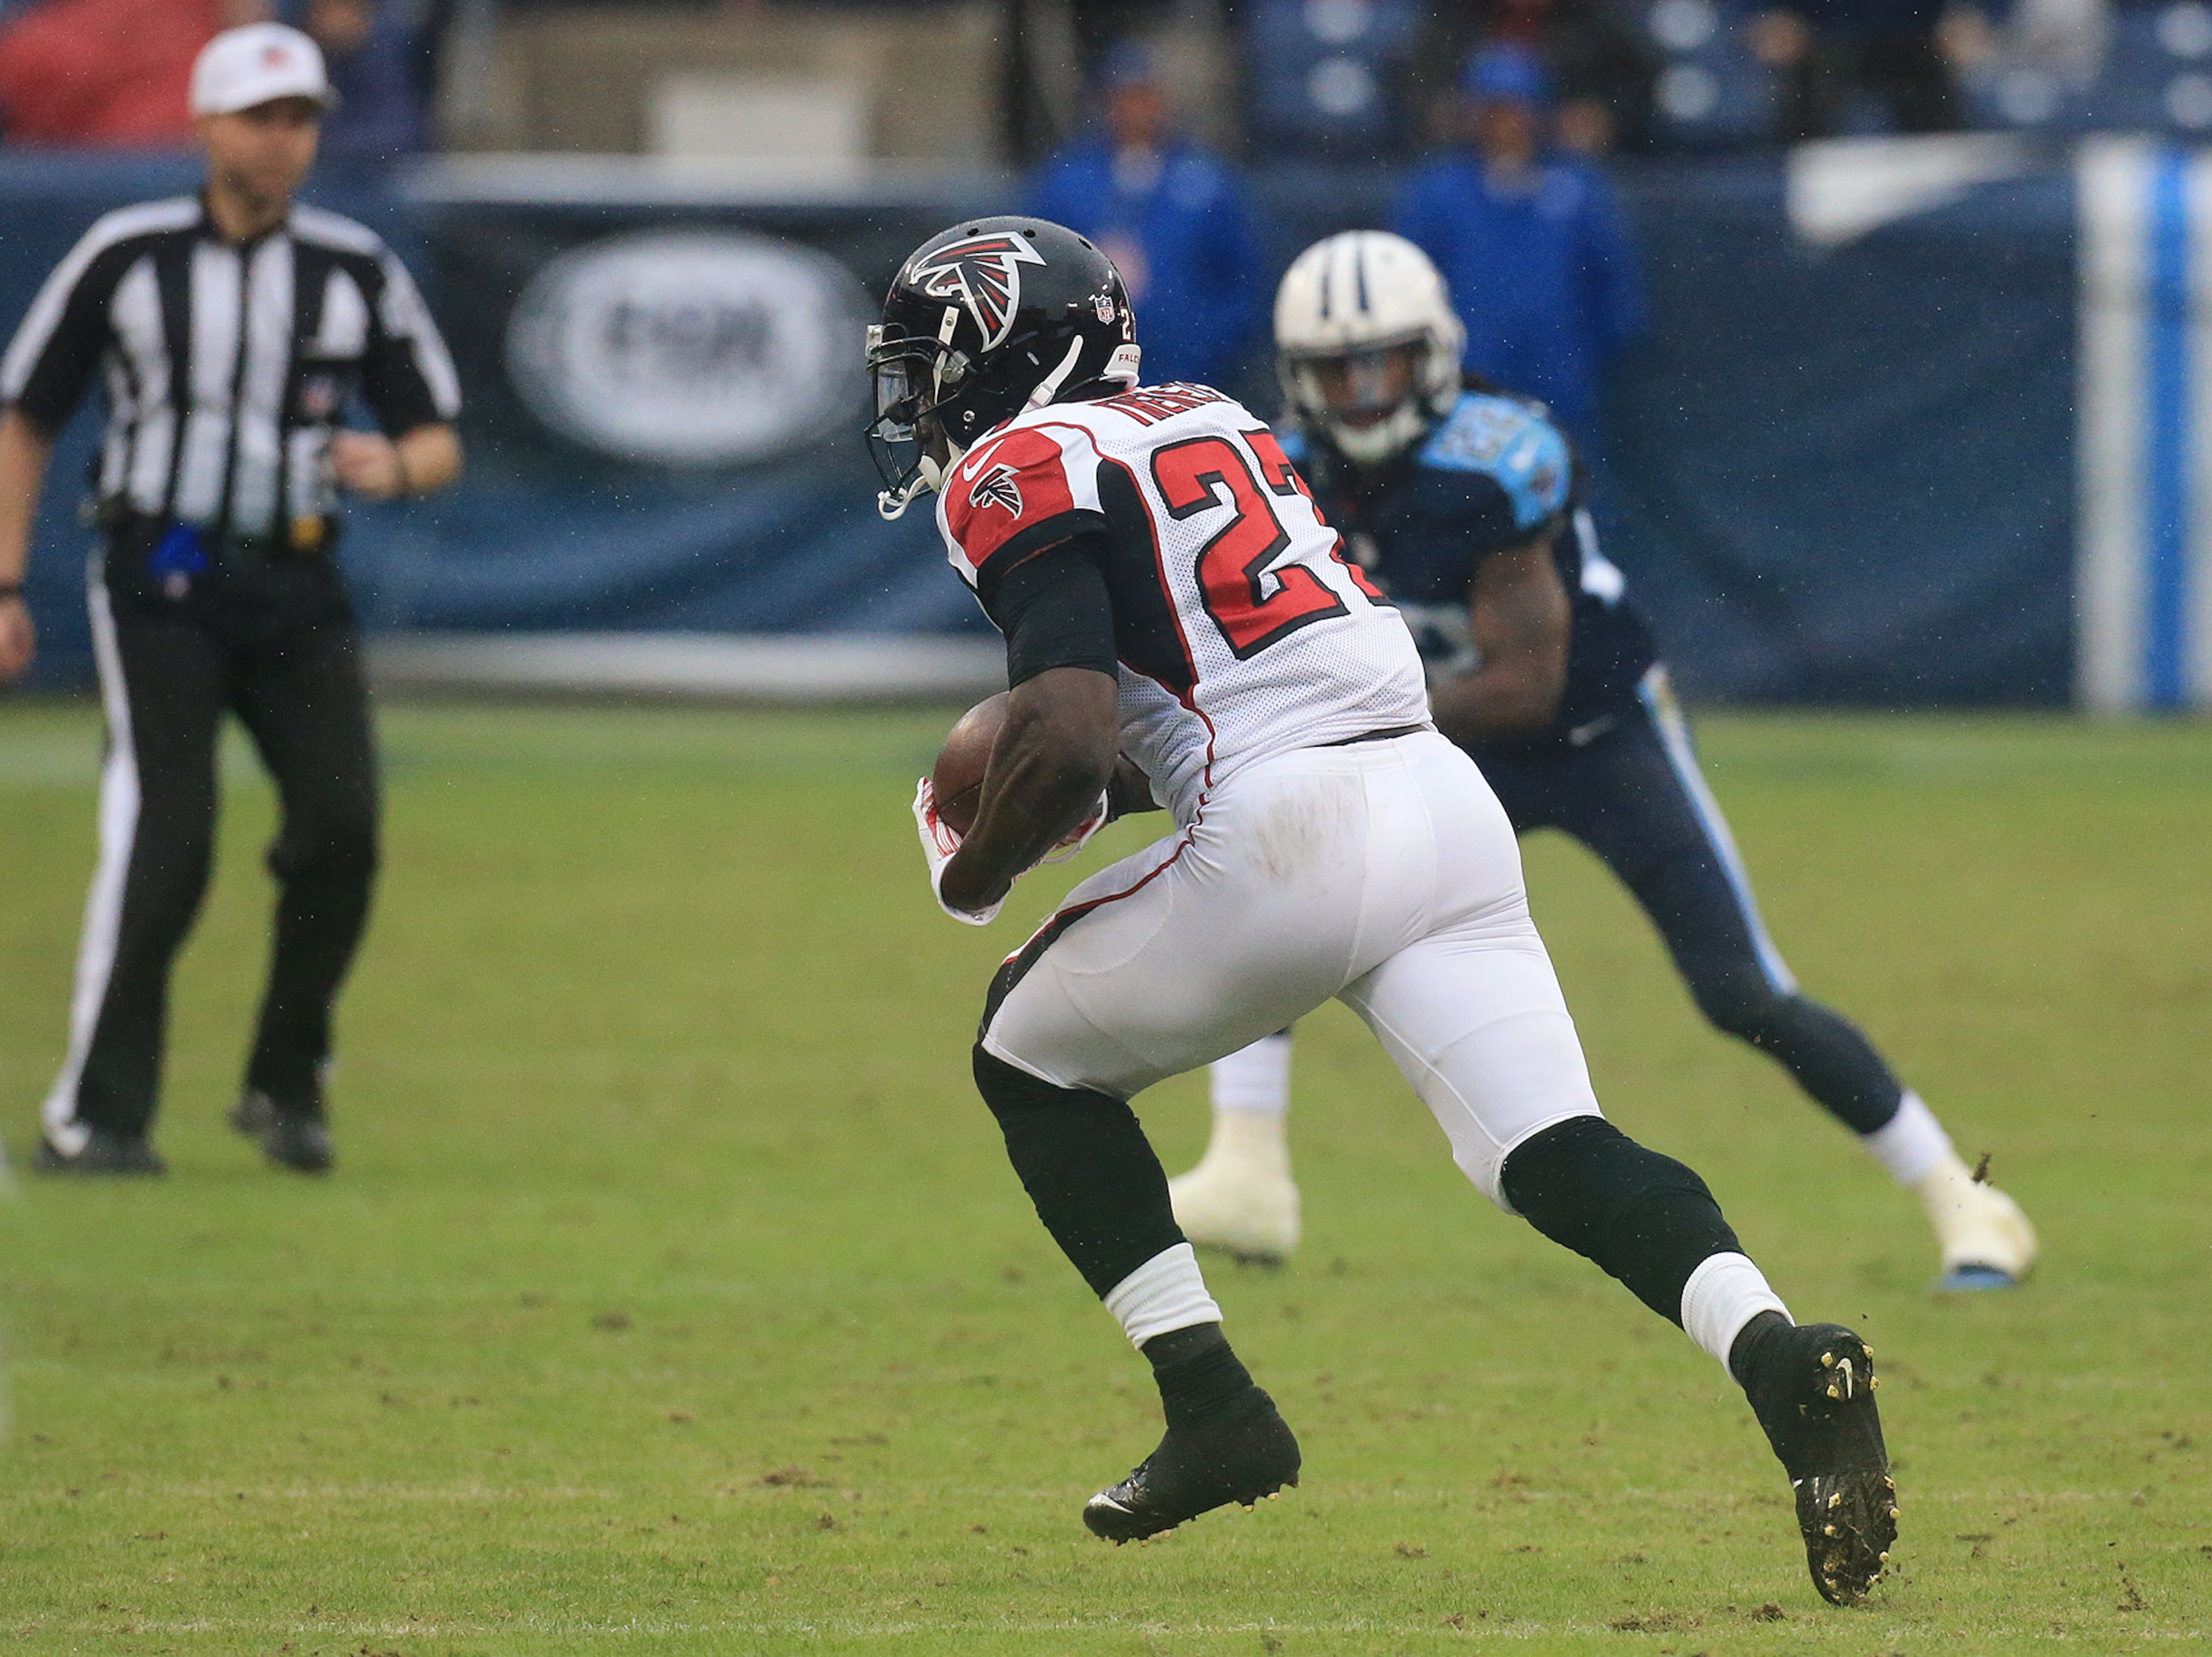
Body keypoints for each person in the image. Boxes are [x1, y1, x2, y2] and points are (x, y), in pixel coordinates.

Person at [865, 214, 1895, 1603]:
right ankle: (1782, 1358)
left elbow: (1068, 719)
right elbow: (1207, 681)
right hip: (1438, 799)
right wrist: (1086, 789)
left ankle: (1212, 1402)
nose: (924, 398)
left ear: (1009, 352)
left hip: (1289, 831)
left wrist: (979, 866)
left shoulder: (1016, 465)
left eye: (935, 361)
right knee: (1551, 1146)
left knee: (1024, 1053)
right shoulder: (1211, 414)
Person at [1166, 232, 2037, 1296]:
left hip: (1593, 739)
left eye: (1381, 363)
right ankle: (1248, 1167)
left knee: (1742, 991)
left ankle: (1962, 1196)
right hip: (1441, 744)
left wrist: (1331, 723)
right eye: (1336, 370)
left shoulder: (1495, 459)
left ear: (1433, 355)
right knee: (1282, 889)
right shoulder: (1284, 474)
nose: (1360, 392)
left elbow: (1523, 687)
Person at [0, 22, 462, 1176]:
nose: (282, 139)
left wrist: (395, 466)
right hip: (162, 574)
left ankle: (283, 1080)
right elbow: (26, 415)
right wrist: (4, 579)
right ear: (206, 125)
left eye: (301, 118)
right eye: (261, 117)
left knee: (341, 832)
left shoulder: (353, 267)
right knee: (168, 842)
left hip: (297, 580)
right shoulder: (126, 253)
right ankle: (95, 1117)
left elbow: (436, 433)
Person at [1393, 44, 1642, 457]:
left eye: (1517, 110)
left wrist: (1576, 362)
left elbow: (1616, 297)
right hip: (1464, 399)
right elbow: (1404, 291)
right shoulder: (1438, 193)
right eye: (1494, 111)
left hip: (1562, 396)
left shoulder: (1577, 190)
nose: (1507, 124)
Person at [1026, 40, 1266, 389]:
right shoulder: (1067, 181)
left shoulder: (1207, 181)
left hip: (1187, 374)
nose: (1135, 110)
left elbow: (1240, 283)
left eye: (1144, 96)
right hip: (1090, 375)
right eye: (1124, 97)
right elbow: (1037, 274)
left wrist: (1204, 350)